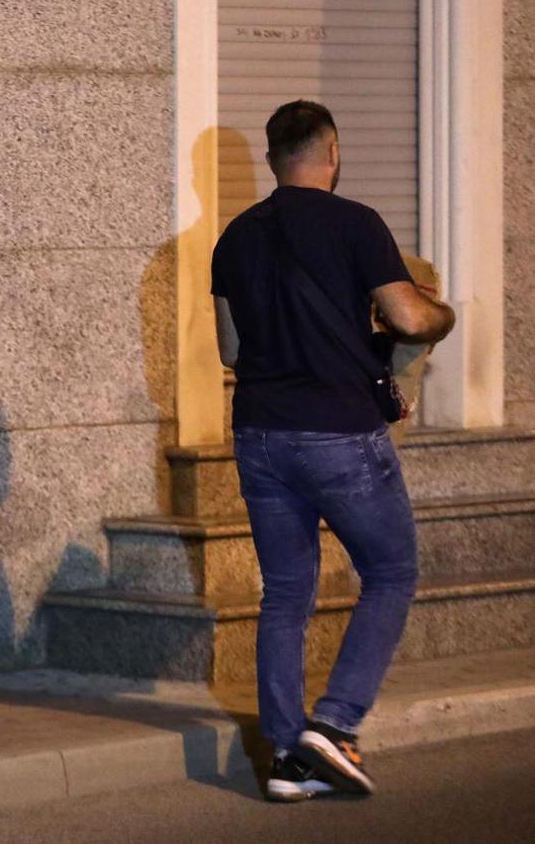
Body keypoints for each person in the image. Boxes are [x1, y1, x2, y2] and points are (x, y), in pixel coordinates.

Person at [211, 101, 455, 802]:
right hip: (338, 432)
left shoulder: (234, 237)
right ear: (333, 151)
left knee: (286, 593)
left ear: (272, 159)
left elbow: (231, 348)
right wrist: (443, 314)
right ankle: (336, 723)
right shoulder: (356, 223)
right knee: (391, 571)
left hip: (260, 434)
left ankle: (287, 757)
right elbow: (409, 316)